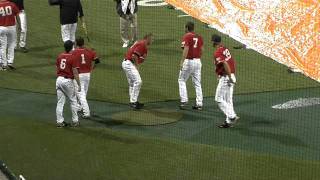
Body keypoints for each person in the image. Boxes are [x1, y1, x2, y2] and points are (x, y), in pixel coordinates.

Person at [211, 34, 239, 128]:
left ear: (214, 42)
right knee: (228, 100)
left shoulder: (217, 53)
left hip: (227, 77)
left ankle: (232, 116)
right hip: (230, 75)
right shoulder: (225, 49)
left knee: (218, 99)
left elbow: (225, 63)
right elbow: (232, 62)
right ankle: (229, 122)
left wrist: (229, 77)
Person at [122, 33, 153, 109]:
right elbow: (134, 56)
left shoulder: (143, 45)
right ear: (147, 38)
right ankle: (133, 102)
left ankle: (132, 102)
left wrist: (141, 60)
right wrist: (137, 66)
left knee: (132, 83)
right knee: (138, 81)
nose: (152, 41)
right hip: (129, 64)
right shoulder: (142, 44)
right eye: (151, 39)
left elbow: (139, 57)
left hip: (127, 63)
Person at [72, 37, 100, 119]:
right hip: (87, 75)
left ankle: (86, 112)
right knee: (84, 93)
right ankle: (80, 107)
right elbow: (97, 61)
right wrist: (92, 68)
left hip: (79, 75)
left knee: (81, 95)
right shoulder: (90, 51)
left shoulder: (74, 52)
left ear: (76, 43)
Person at [178, 22, 204, 110]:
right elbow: (202, 49)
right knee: (197, 83)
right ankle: (199, 103)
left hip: (189, 62)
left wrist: (182, 61)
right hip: (198, 61)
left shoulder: (187, 36)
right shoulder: (199, 36)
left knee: (181, 80)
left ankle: (184, 100)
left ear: (187, 28)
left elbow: (185, 48)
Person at [56, 40, 81, 127]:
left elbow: (57, 67)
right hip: (67, 81)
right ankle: (75, 121)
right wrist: (79, 84)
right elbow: (75, 72)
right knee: (73, 100)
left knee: (60, 102)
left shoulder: (59, 56)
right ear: (71, 47)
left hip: (59, 80)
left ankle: (59, 121)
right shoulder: (73, 57)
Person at [0, 0, 19, 70]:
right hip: (11, 28)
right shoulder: (12, 4)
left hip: (1, 28)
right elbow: (17, 15)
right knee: (11, 45)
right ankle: (10, 61)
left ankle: (4, 64)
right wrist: (19, 25)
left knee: (3, 46)